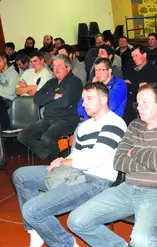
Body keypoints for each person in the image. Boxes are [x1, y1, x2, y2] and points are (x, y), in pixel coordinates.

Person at [67, 83, 157, 247]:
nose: (139, 108)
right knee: (77, 220)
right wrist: (155, 167)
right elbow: (118, 161)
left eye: (145, 103)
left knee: (141, 240)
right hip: (128, 187)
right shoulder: (134, 126)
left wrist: (135, 151)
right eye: (138, 103)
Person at [13, 82, 127, 247]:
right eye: (82, 99)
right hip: (74, 172)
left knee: (32, 211)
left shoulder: (114, 123)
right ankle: (36, 230)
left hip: (95, 180)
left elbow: (95, 159)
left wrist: (65, 162)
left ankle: (65, 244)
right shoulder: (84, 125)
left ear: (103, 99)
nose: (83, 103)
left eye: (89, 98)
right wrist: (61, 162)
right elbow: (76, 153)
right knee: (21, 175)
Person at [17, 55, 83, 160]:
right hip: (48, 119)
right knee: (22, 136)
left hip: (66, 120)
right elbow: (37, 98)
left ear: (68, 68)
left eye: (60, 65)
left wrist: (47, 101)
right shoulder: (51, 82)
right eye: (54, 66)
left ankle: (60, 163)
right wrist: (53, 96)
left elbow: (65, 102)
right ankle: (51, 157)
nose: (56, 68)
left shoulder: (75, 82)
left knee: (47, 139)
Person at [122, 45, 157, 124]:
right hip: (129, 100)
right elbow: (125, 85)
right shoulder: (128, 68)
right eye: (133, 56)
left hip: (146, 101)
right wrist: (138, 85)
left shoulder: (153, 69)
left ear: (144, 55)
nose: (134, 59)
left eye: (136, 55)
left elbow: (153, 88)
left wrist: (132, 85)